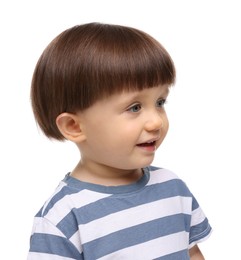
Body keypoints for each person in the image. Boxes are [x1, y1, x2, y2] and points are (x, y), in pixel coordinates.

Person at [27, 22, 212, 260]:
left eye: (160, 102)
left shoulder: (173, 188)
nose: (156, 121)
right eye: (134, 107)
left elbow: (192, 253)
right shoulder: (63, 217)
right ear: (74, 126)